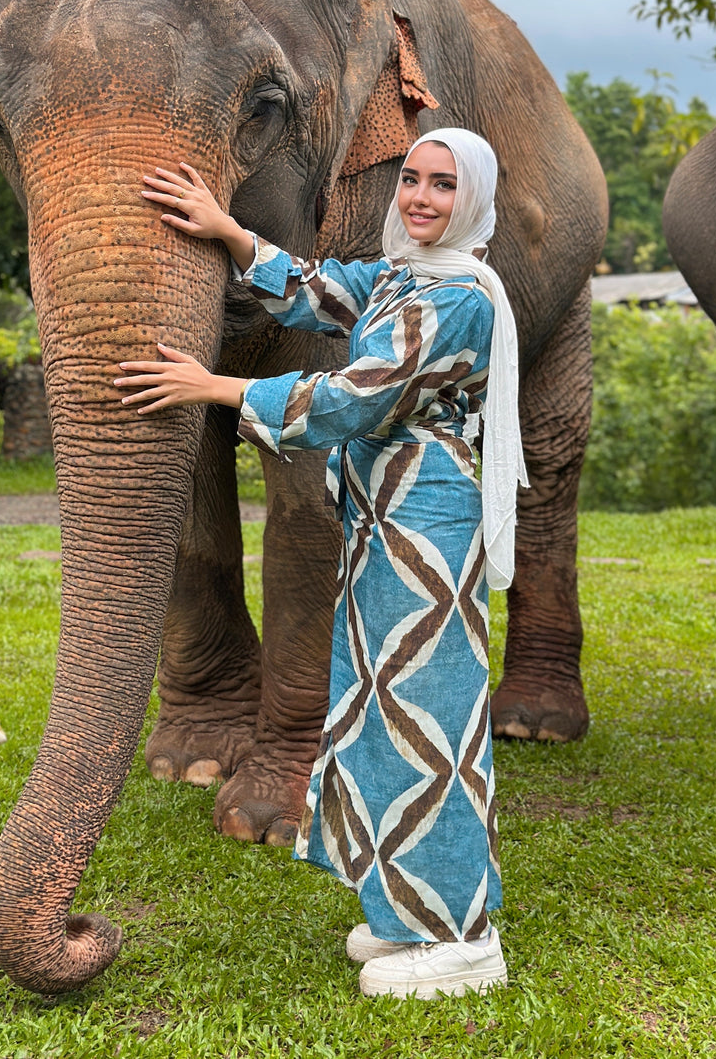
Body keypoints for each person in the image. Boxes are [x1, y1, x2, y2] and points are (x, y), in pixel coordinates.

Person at [115, 128, 528, 1000]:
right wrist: (228, 232)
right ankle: (405, 915)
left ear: (475, 199)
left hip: (429, 526)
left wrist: (215, 388)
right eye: (410, 178)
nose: (418, 197)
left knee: (432, 727)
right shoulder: (407, 275)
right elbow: (324, 291)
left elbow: (355, 395)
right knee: (382, 709)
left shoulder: (460, 298)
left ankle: (464, 938)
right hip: (383, 521)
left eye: (443, 185)